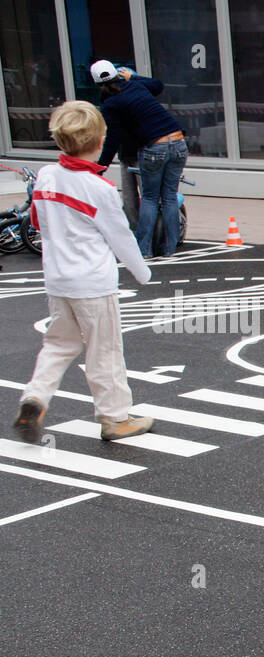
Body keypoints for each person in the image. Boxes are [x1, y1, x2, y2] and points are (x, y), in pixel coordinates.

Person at [12, 101, 154, 444]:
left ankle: (35, 397)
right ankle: (115, 418)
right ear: (101, 140)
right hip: (93, 284)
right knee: (104, 352)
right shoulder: (99, 189)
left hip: (57, 281)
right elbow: (121, 238)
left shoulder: (47, 175)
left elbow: (36, 220)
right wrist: (142, 272)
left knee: (58, 345)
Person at [91, 59, 187, 258]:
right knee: (169, 197)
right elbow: (158, 85)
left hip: (154, 146)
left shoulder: (110, 104)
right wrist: (133, 76)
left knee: (150, 199)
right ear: (118, 74)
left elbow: (113, 137)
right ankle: (169, 248)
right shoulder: (135, 85)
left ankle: (144, 250)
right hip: (178, 140)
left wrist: (101, 165)